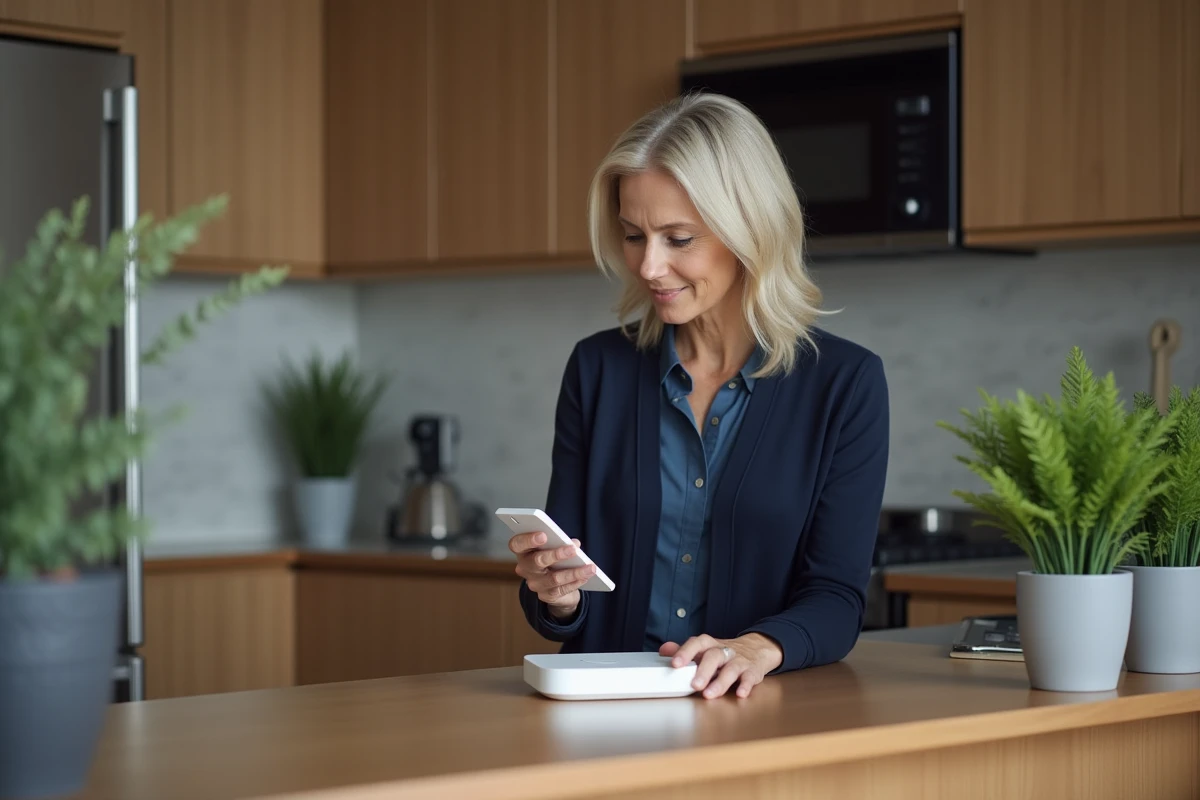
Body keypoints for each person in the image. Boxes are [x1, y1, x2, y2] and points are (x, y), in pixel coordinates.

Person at [509, 92, 890, 700]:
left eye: (678, 238)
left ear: (749, 232)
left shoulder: (845, 383)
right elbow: (567, 599)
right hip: (603, 713)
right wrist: (557, 595)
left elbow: (838, 599)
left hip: (748, 710)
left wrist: (757, 647)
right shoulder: (597, 369)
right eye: (633, 235)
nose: (648, 266)